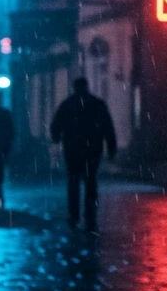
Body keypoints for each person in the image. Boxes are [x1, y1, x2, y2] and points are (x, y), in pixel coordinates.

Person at [49, 77, 117, 231]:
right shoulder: (97, 104)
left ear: (74, 87)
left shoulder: (67, 105)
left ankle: (74, 215)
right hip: (92, 150)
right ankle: (90, 214)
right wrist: (111, 147)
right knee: (90, 181)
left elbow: (56, 125)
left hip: (72, 150)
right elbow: (108, 127)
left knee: (73, 182)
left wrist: (57, 138)